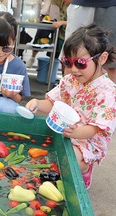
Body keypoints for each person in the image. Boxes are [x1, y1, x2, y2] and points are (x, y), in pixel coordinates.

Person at [25, 24, 116, 189]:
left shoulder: (108, 91)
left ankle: (85, 167)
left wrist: (77, 133)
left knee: (69, 156)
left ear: (101, 58)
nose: (73, 69)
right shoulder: (69, 81)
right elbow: (54, 102)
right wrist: (38, 103)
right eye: (68, 61)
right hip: (67, 130)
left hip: (88, 138)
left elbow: (97, 128)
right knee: (46, 149)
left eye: (80, 63)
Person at [26, 0, 70, 68]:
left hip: (62, 25)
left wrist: (61, 22)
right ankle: (32, 57)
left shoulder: (74, 6)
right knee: (39, 38)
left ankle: (53, 70)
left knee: (58, 48)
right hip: (48, 15)